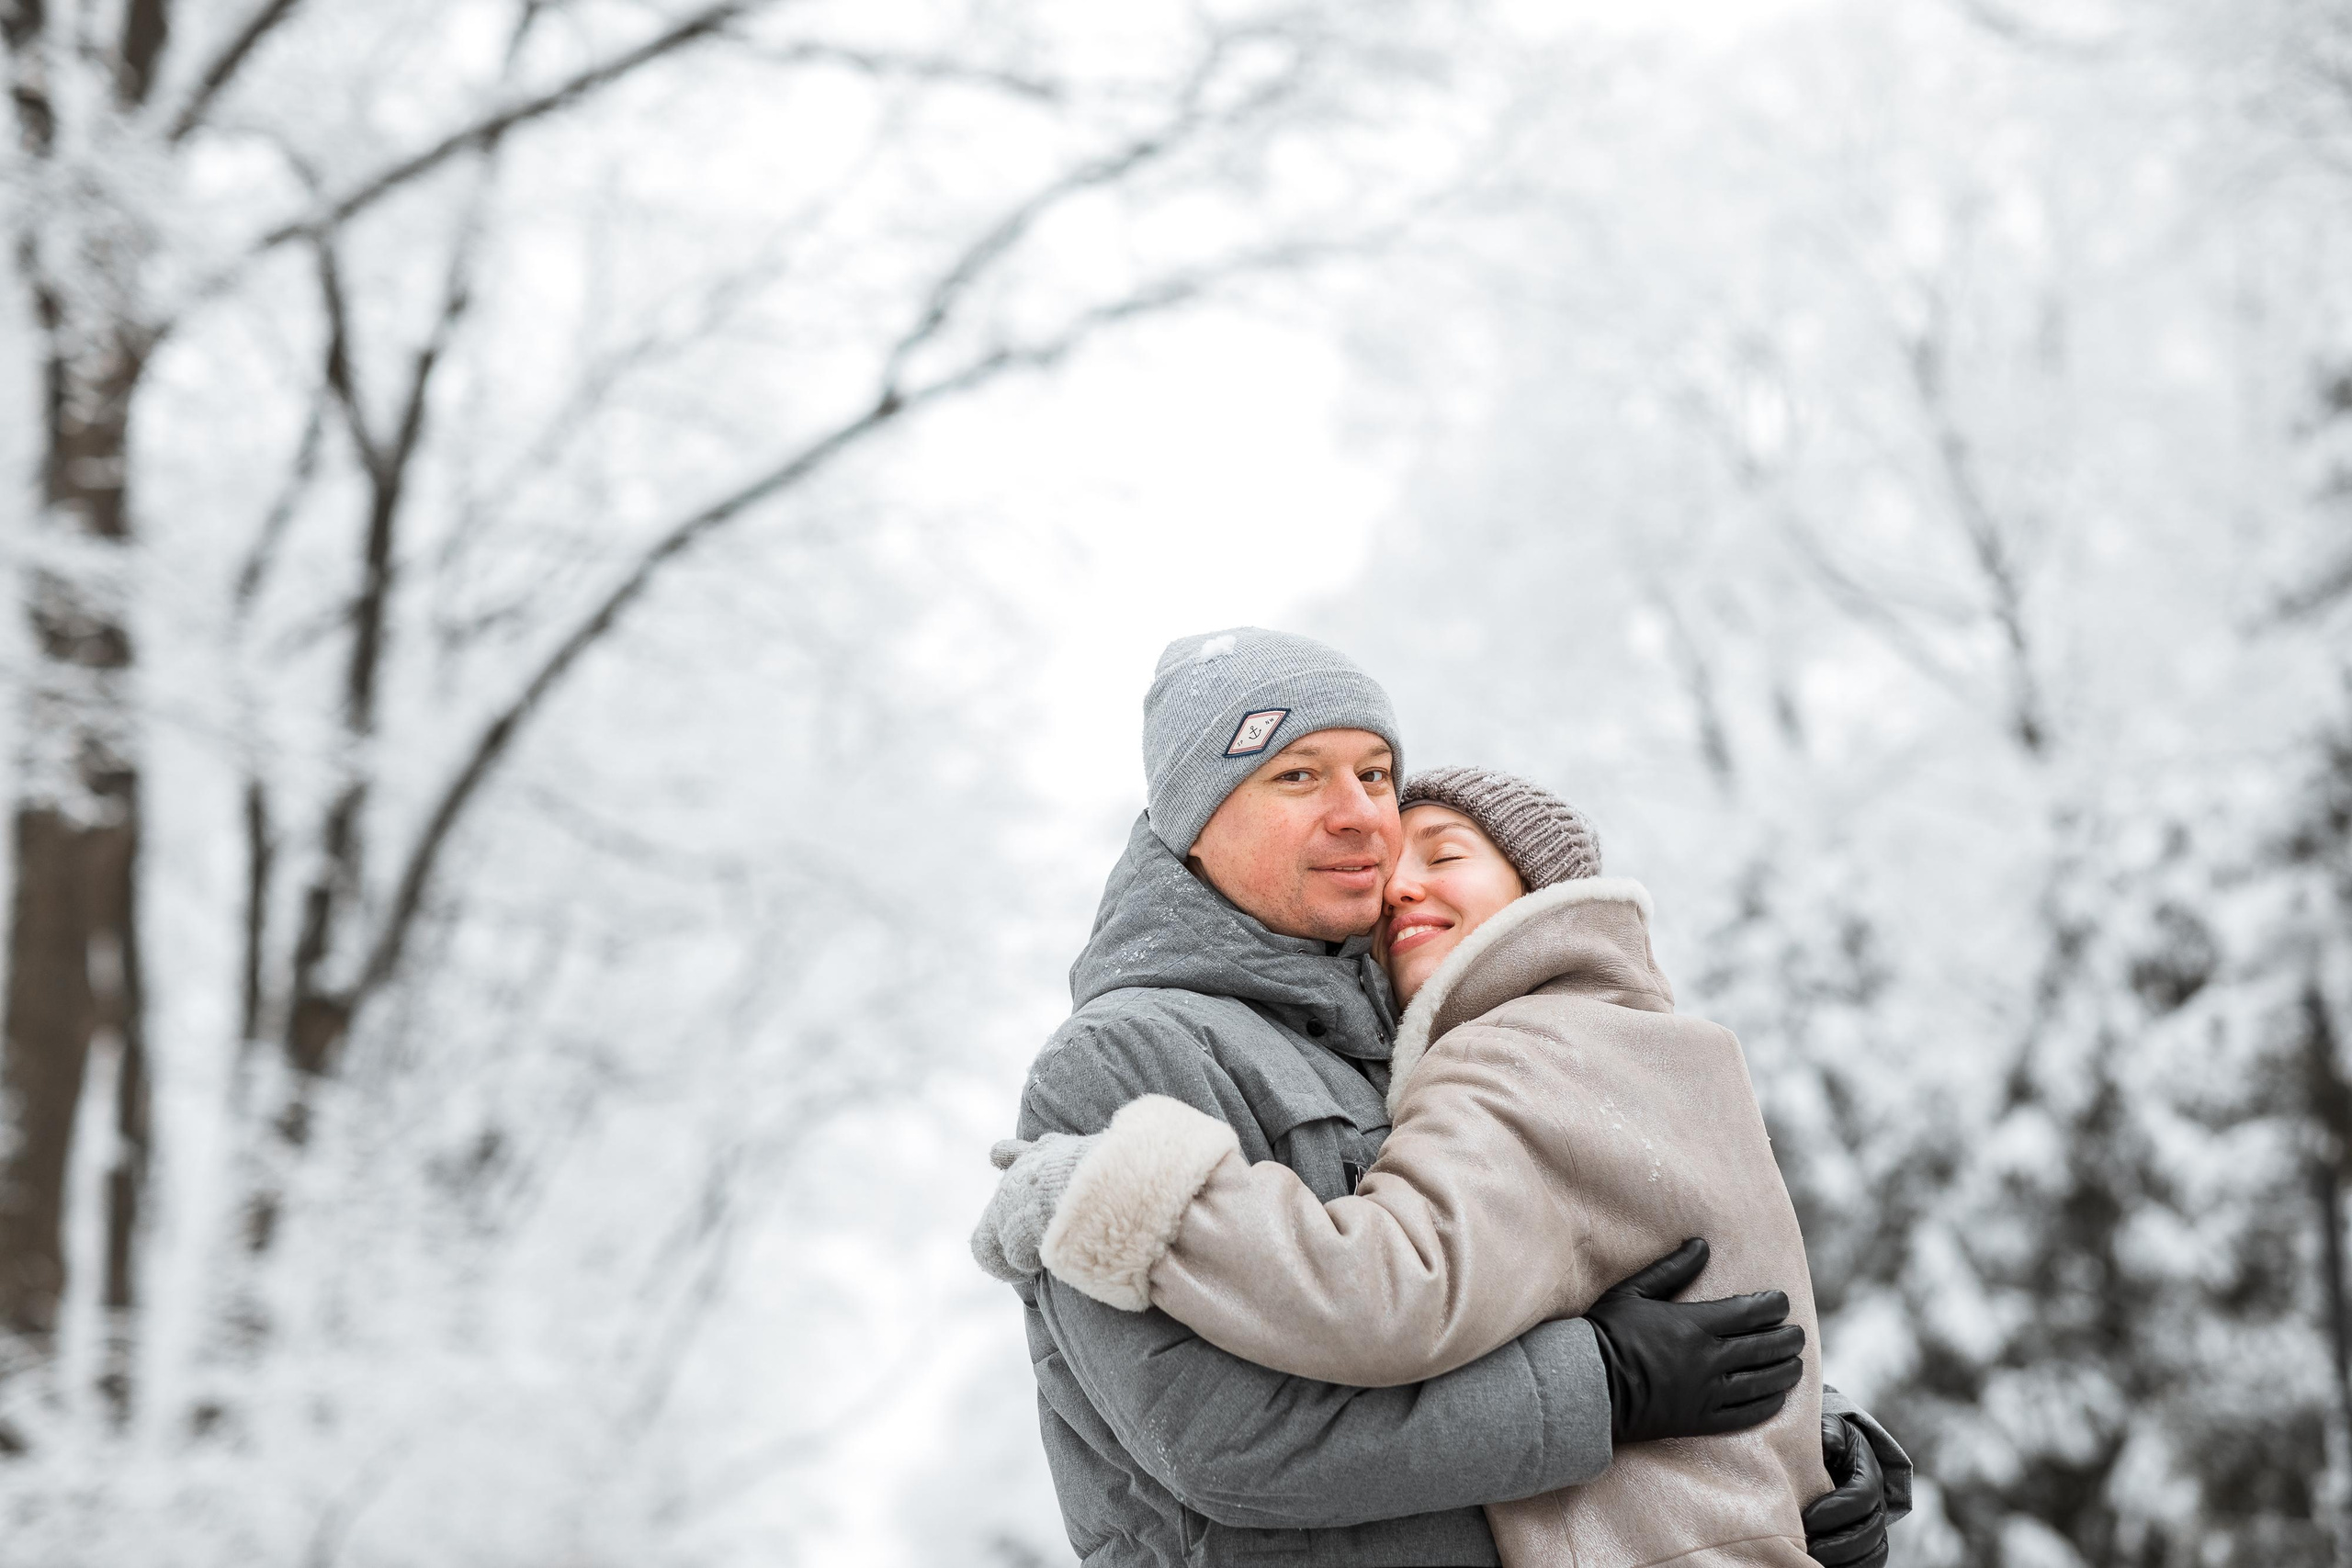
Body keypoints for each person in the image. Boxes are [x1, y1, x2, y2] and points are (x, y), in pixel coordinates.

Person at [974, 627, 1907, 1568]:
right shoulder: (1123, 1057)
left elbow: (1616, 1258)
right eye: (1298, 776)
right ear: (1193, 818)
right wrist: (1606, 1386)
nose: (1360, 816)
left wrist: (1797, 1444)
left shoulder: (1438, 1025)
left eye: (1375, 774)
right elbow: (1230, 1448)